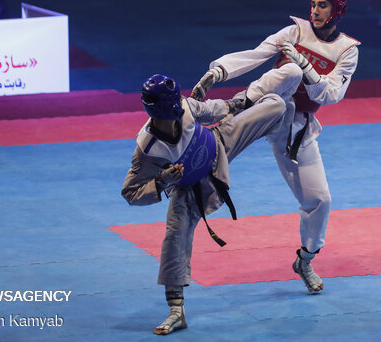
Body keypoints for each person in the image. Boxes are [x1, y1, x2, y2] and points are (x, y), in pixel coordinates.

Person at [191, 0, 361, 294]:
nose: (315, 10)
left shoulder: (347, 50)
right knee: (290, 71)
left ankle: (305, 260)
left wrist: (308, 67)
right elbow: (256, 55)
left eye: (322, 5)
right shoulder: (293, 31)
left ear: (337, 9)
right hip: (265, 106)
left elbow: (331, 95)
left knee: (319, 200)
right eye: (312, 3)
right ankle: (226, 109)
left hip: (295, 126)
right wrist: (218, 72)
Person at [121, 74, 286, 335]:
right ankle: (176, 311)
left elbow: (213, 109)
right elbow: (130, 193)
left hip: (219, 145)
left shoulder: (187, 106)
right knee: (175, 236)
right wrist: (162, 180)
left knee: (277, 105)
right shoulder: (147, 147)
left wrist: (237, 104)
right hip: (189, 189)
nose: (178, 107)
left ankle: (282, 127)